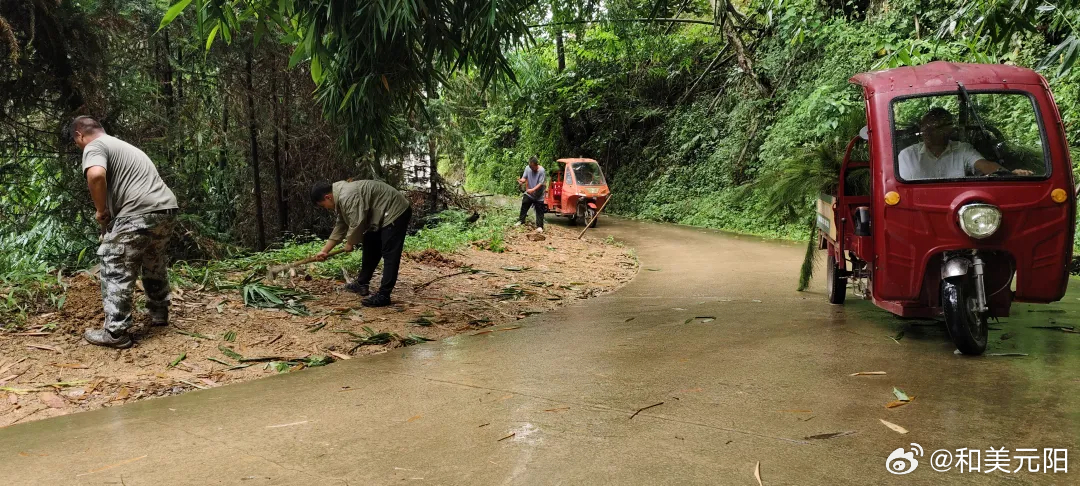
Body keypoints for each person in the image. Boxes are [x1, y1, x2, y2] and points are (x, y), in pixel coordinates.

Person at [71, 116, 179, 348]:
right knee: (153, 261)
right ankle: (159, 312)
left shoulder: (95, 145)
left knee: (114, 263)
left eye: (76, 142)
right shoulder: (124, 146)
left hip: (138, 212)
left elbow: (96, 175)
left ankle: (116, 332)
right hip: (165, 208)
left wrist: (101, 210)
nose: (80, 146)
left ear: (80, 135)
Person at [311, 179, 412, 307]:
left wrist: (350, 243)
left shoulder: (346, 195)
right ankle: (362, 283)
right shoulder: (341, 197)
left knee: (390, 253)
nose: (325, 208)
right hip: (381, 214)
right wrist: (325, 250)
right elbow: (341, 226)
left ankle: (384, 295)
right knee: (370, 244)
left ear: (328, 197)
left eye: (323, 205)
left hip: (395, 211)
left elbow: (357, 223)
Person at [898, 107, 1033, 180]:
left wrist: (1009, 174)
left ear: (949, 129)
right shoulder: (907, 156)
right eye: (925, 128)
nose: (928, 133)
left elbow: (985, 166)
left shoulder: (961, 149)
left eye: (935, 128)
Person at [516, 156, 546, 233]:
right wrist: (521, 181)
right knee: (524, 204)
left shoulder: (541, 171)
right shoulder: (527, 168)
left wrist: (533, 190)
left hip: (539, 194)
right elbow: (524, 178)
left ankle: (540, 226)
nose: (532, 169)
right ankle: (521, 221)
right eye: (530, 167)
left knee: (539, 211)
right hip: (529, 193)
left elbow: (540, 183)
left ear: (536, 165)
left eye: (533, 167)